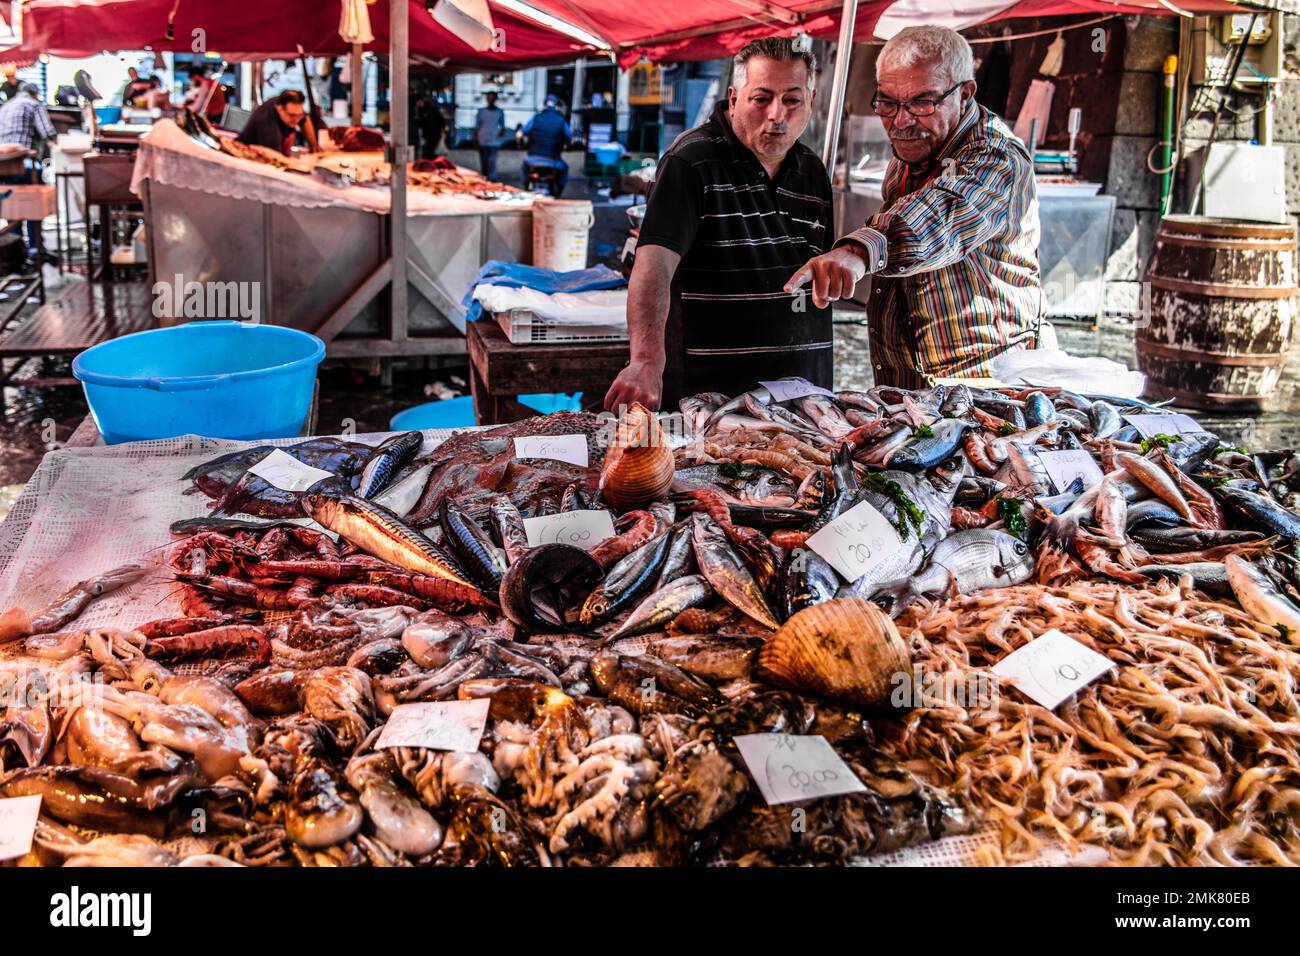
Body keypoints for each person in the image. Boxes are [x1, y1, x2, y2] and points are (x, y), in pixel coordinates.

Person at [785, 25, 1041, 389]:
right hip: (908, 385)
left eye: (922, 103)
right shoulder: (909, 153)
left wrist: (859, 251)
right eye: (888, 103)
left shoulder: (996, 157)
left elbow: (940, 218)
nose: (901, 121)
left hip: (986, 385)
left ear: (965, 93)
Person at [603, 37, 831, 412]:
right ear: (734, 96)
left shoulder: (813, 171)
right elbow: (654, 265)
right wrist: (645, 360)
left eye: (792, 100)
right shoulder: (691, 161)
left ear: (811, 99)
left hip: (801, 397)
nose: (777, 114)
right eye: (762, 99)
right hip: (708, 400)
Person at [0, 83, 55, 254]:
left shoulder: (6, 106)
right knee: (32, 204)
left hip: (3, 165)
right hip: (23, 164)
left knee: (12, 204)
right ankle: (35, 246)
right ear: (35, 93)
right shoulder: (34, 104)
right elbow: (48, 133)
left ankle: (15, 246)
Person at [236, 89, 315, 156]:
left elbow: (305, 119)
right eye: (292, 116)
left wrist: (313, 146)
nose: (297, 120)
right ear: (280, 109)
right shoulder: (268, 128)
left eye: (299, 115)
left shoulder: (282, 101)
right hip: (242, 156)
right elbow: (277, 161)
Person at [521, 94, 572, 197]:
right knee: (565, 169)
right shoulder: (561, 121)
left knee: (524, 167)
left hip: (533, 159)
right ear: (557, 106)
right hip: (553, 161)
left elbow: (522, 132)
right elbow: (570, 137)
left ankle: (526, 187)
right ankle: (558, 194)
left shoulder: (536, 118)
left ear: (544, 105)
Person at [474, 91, 506, 181]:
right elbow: (476, 127)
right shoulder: (481, 112)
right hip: (482, 140)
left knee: (492, 163)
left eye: (492, 98)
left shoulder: (500, 112)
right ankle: (484, 181)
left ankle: (492, 181)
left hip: (494, 142)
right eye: (489, 98)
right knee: (484, 164)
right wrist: (475, 140)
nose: (490, 100)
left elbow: (503, 127)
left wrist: (500, 133)